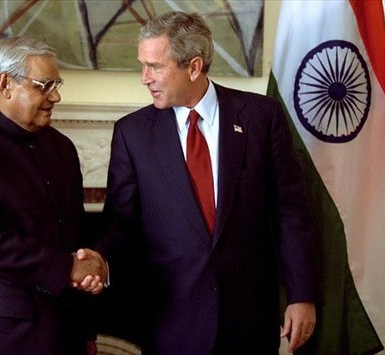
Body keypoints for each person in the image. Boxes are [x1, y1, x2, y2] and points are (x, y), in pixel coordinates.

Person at [97, 11, 319, 355]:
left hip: (249, 318)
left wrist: (301, 294)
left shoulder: (262, 117)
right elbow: (120, 223)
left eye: (155, 66)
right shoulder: (133, 133)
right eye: (143, 65)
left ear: (194, 66)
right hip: (171, 320)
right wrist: (98, 261)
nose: (145, 78)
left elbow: (291, 212)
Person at [0, 36, 107, 355]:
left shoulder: (62, 148)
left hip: (64, 331)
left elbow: (76, 236)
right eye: (44, 85)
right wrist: (67, 268)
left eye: (57, 84)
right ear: (5, 83)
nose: (55, 96)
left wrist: (86, 328)